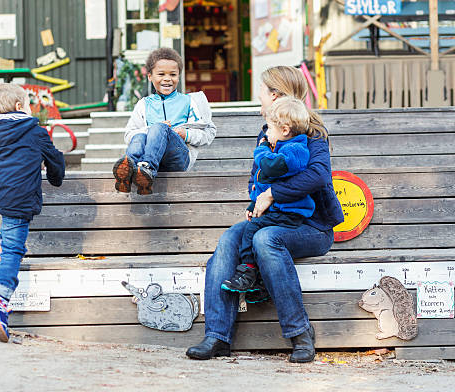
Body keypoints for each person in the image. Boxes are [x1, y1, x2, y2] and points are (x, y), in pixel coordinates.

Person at [186, 66, 344, 363]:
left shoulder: (312, 132)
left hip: (312, 227)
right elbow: (255, 179)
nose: (259, 99)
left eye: (262, 91)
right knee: (230, 239)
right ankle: (217, 336)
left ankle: (300, 334)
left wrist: (272, 194)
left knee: (266, 240)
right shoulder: (267, 131)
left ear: (275, 95)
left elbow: (320, 176)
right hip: (273, 219)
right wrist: (257, 201)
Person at [0, 83, 65, 342]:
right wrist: (56, 178)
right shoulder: (35, 131)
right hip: (19, 196)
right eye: (28, 103)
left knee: (9, 225)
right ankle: (0, 300)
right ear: (19, 106)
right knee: (15, 248)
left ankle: (2, 246)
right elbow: (55, 160)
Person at [221, 96, 315, 293]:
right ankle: (261, 284)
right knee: (250, 229)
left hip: (290, 214)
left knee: (251, 231)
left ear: (285, 130)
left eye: (270, 129)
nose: (267, 134)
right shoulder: (283, 148)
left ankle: (248, 271)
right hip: (279, 209)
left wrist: (261, 149)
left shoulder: (296, 150)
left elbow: (270, 168)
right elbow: (266, 185)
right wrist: (252, 205)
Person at [113, 47, 216, 195]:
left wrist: (185, 134)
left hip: (178, 157)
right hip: (151, 156)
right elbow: (129, 135)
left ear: (179, 76)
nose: (167, 79)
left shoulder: (188, 102)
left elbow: (209, 133)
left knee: (159, 128)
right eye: (161, 74)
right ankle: (128, 169)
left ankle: (146, 168)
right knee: (141, 135)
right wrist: (151, 130)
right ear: (150, 76)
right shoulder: (144, 104)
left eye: (173, 74)